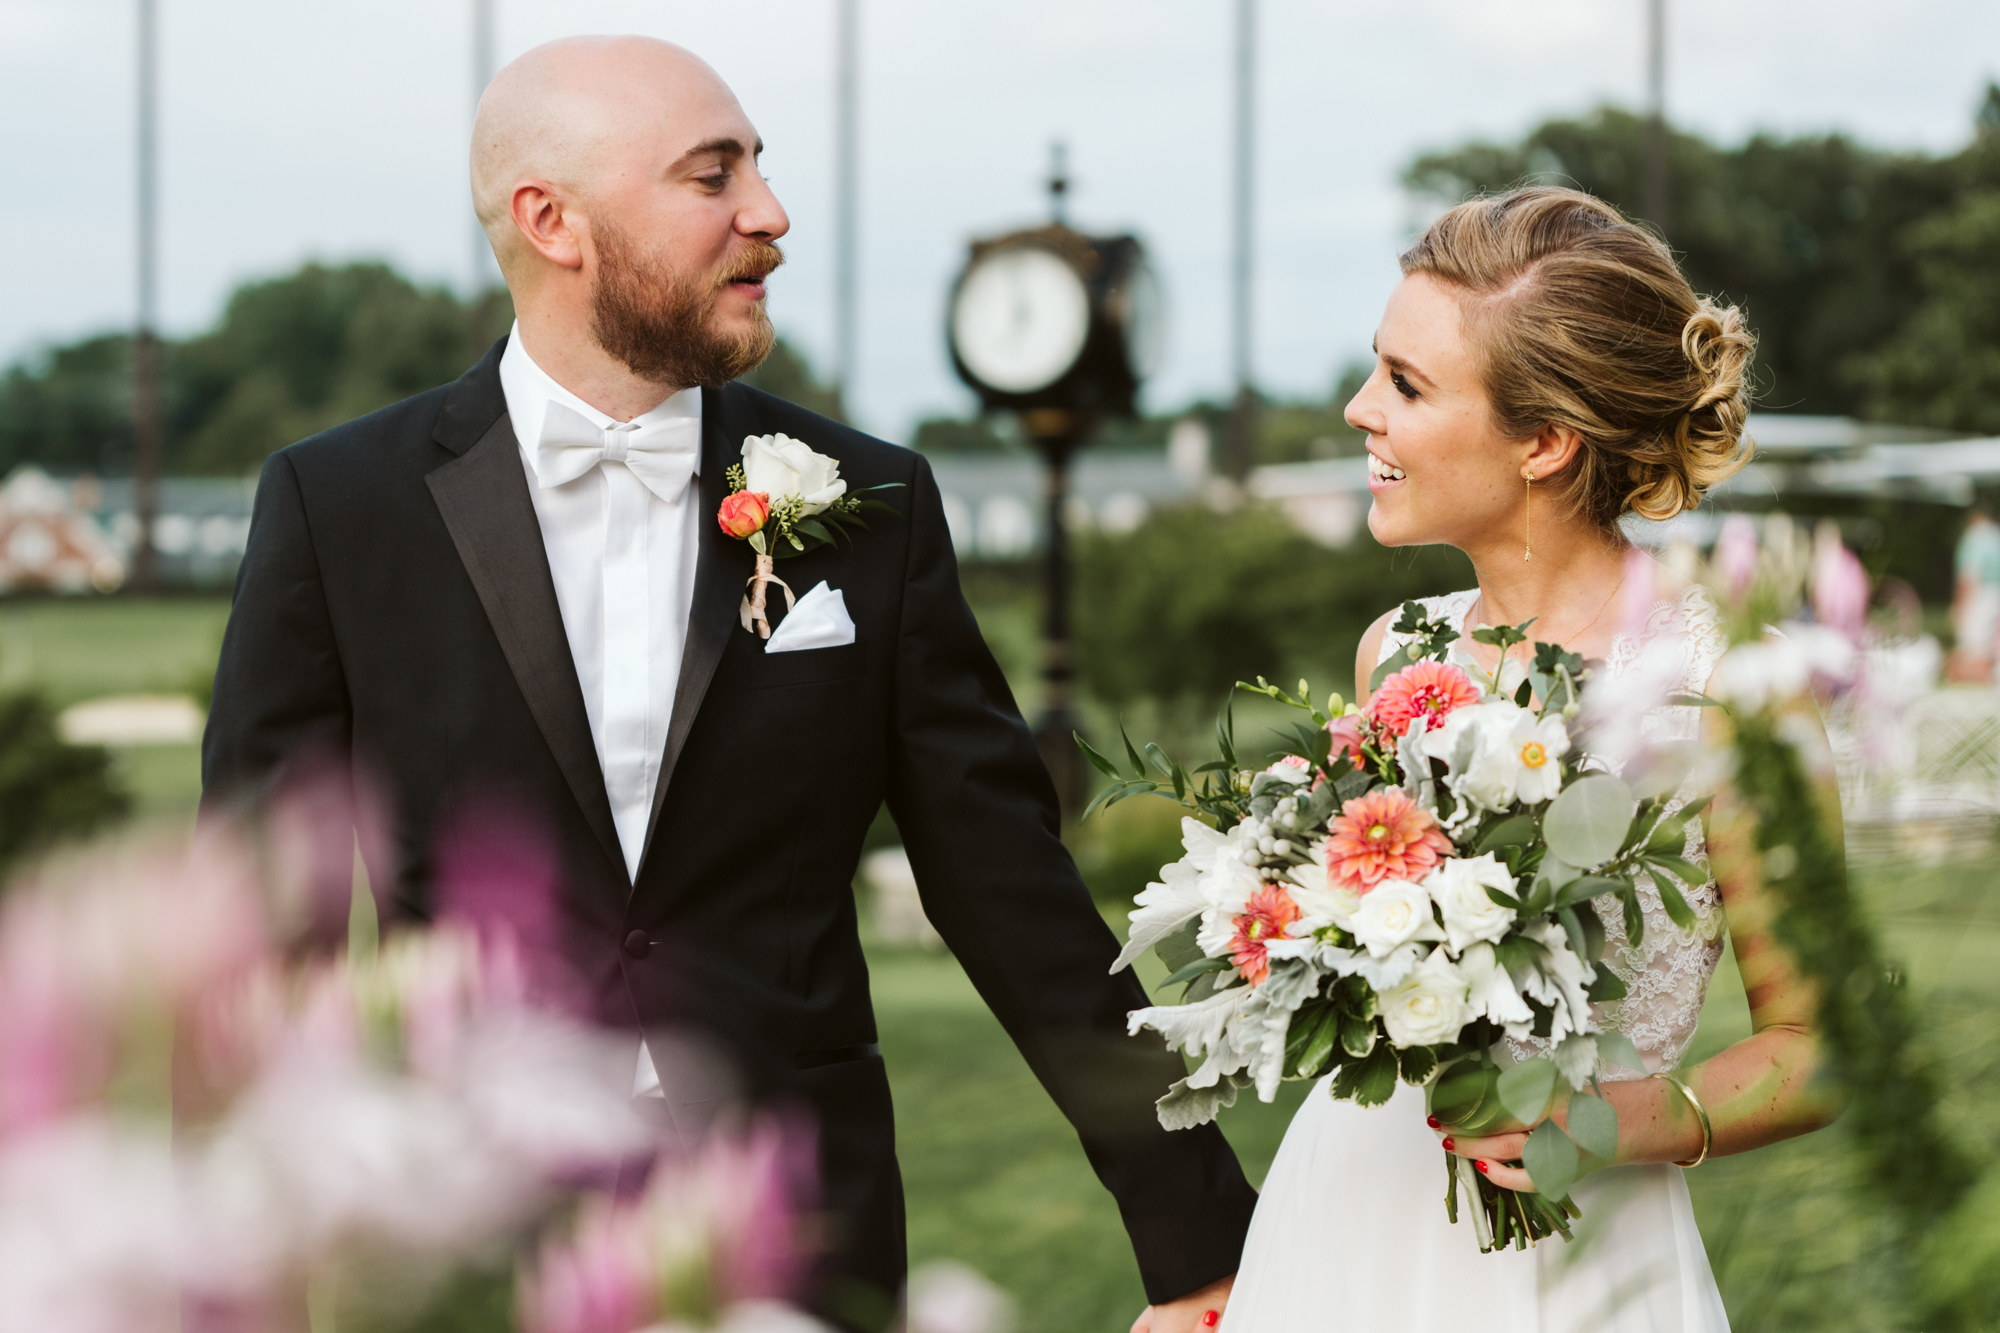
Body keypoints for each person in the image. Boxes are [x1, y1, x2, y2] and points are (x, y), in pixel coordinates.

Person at [200, 36, 1254, 1330]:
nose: (770, 212)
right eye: (714, 175)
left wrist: (1196, 1230)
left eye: (759, 165)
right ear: (553, 221)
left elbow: (1008, 883)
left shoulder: (871, 505)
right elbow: (265, 916)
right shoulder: (339, 506)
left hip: (802, 1219)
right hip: (462, 1232)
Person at [1218, 188, 1841, 1331]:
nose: (1360, 411)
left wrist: (1626, 1116)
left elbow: (1821, 1043)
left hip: (1578, 1249)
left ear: (1545, 442)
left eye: (1404, 386)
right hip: (1343, 1215)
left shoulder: (1731, 688)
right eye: (1376, 370)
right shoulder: (1394, 653)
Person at [1949, 506, 2000, 682]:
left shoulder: (1974, 538)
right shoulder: (1995, 535)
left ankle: (1976, 681)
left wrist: (1959, 606)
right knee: (1990, 644)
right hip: (1996, 595)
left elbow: (1969, 576)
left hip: (1979, 596)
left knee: (1972, 645)